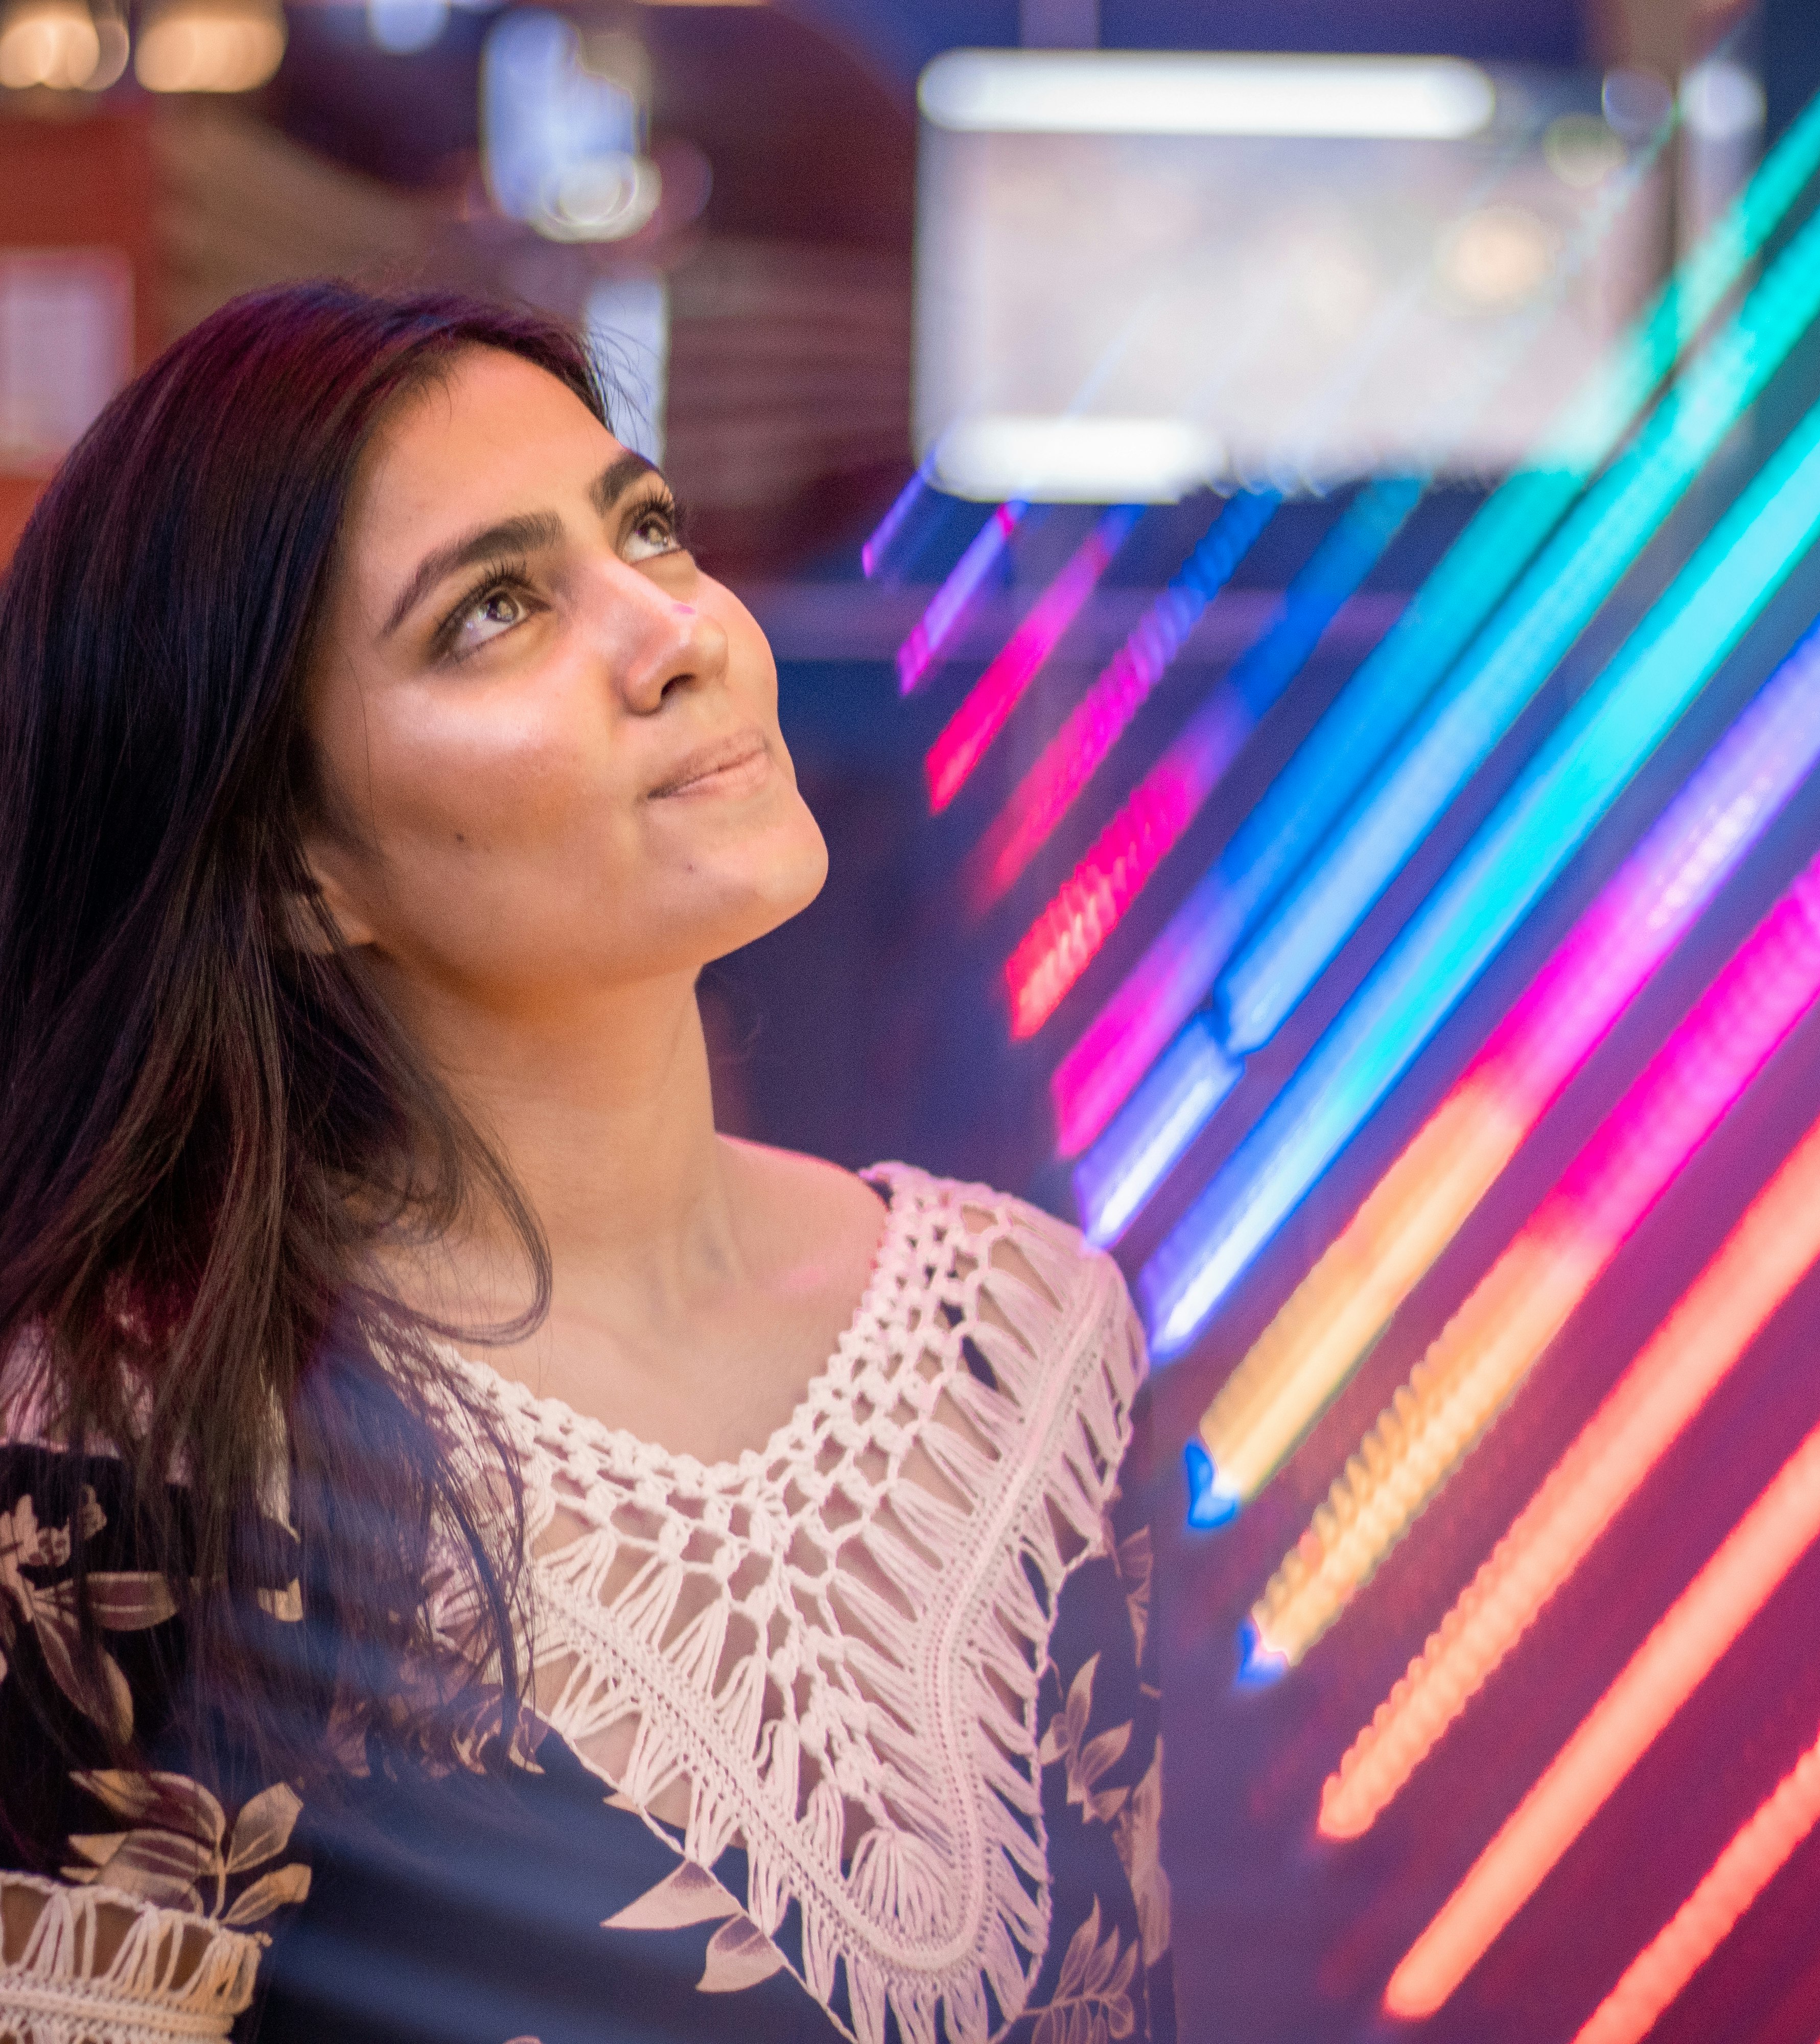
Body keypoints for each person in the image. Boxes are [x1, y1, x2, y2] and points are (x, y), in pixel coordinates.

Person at [0, 283, 1169, 2044]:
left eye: (647, 531)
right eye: (493, 610)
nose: (677, 631)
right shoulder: (111, 1466)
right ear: (289, 869)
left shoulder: (1027, 1331)